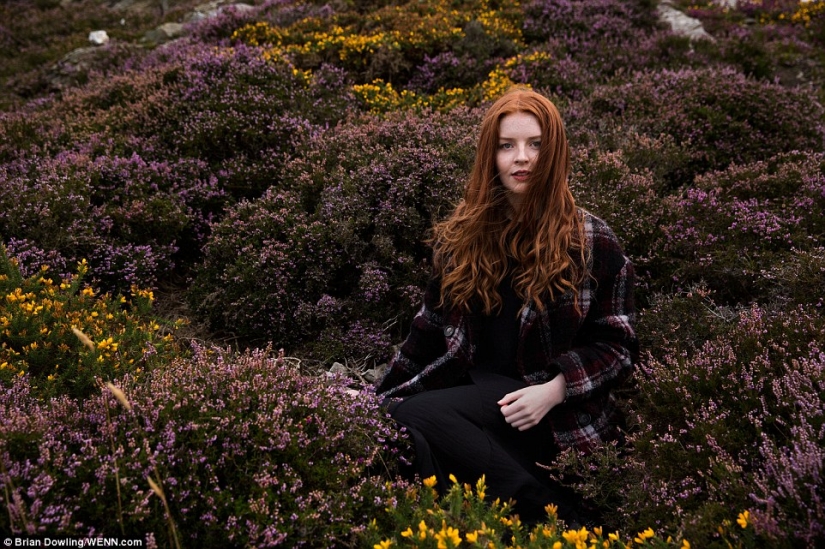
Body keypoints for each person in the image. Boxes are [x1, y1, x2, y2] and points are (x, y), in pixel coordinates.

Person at [374, 87, 638, 526]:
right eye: (507, 146)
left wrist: (554, 389)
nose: (522, 158)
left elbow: (619, 346)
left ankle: (555, 514)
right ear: (489, 156)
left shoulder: (592, 240)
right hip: (478, 400)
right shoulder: (462, 237)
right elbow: (426, 331)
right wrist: (373, 399)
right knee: (400, 429)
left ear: (553, 153)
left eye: (536, 145)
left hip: (550, 418)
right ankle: (516, 514)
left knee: (416, 416)